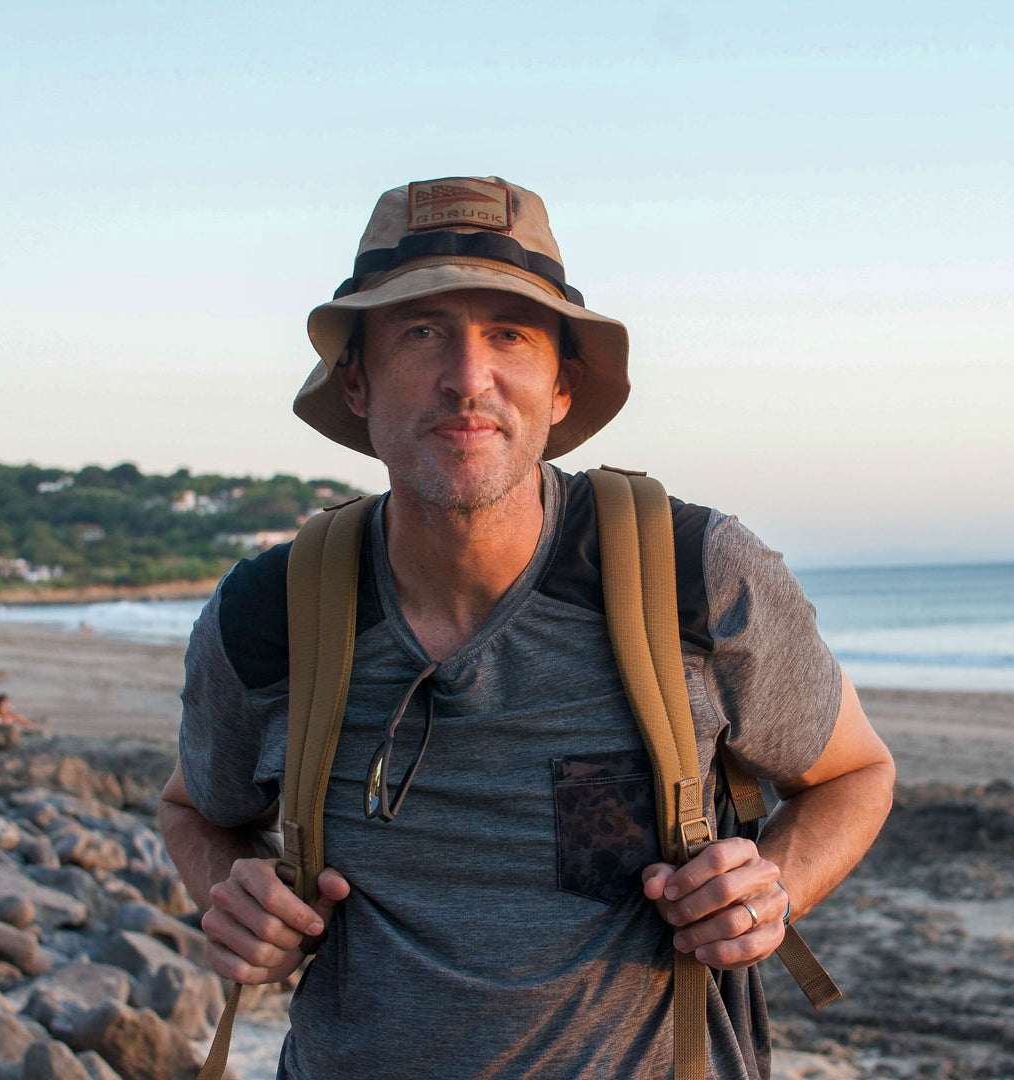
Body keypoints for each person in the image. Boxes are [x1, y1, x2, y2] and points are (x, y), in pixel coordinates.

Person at [159, 176, 895, 1079]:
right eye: (421, 332)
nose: (468, 378)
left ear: (560, 386)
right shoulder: (270, 614)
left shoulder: (694, 576)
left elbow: (855, 773)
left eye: (508, 333)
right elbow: (196, 809)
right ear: (356, 381)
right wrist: (233, 903)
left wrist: (769, 890)